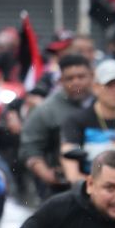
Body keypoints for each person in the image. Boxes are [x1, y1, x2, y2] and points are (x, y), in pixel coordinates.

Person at [19, 53, 93, 196]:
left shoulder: (105, 103)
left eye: (81, 76)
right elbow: (29, 147)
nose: (76, 82)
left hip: (104, 179)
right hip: (62, 186)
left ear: (91, 76)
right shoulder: (47, 110)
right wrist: (46, 174)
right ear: (60, 81)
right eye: (70, 78)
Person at [59, 59, 115, 183]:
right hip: (89, 192)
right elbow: (72, 174)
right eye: (109, 85)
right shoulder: (76, 121)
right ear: (95, 87)